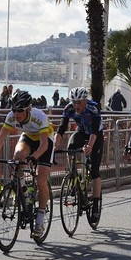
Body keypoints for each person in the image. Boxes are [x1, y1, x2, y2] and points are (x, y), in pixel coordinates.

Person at [0, 90, 53, 238]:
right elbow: (1, 137)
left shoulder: (39, 116)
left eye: (20, 111)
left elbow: (43, 145)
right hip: (29, 137)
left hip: (45, 140)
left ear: (28, 109)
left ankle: (40, 221)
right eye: (14, 110)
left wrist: (34, 157)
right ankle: (24, 192)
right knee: (17, 157)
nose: (16, 114)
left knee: (40, 178)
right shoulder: (11, 116)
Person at [54, 87, 104, 222]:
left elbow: (94, 130)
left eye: (79, 103)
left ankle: (96, 205)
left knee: (94, 171)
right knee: (70, 147)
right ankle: (73, 174)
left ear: (85, 101)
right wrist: (56, 142)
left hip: (96, 135)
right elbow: (62, 128)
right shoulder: (69, 108)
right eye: (74, 102)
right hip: (81, 132)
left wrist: (90, 146)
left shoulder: (93, 108)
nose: (76, 106)